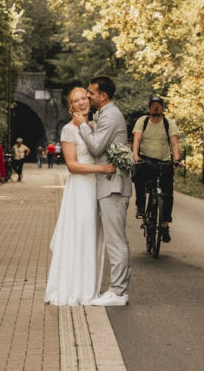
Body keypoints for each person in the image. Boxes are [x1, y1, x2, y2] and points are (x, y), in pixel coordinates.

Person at [45, 87, 116, 305]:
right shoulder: (69, 130)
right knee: (82, 234)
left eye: (84, 98)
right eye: (76, 101)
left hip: (97, 188)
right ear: (71, 106)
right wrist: (102, 170)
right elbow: (72, 165)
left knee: (94, 235)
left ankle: (89, 288)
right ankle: (76, 290)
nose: (81, 103)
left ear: (89, 100)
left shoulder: (93, 127)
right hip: (81, 189)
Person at [75, 75, 133, 307]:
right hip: (107, 185)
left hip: (113, 185)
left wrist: (82, 127)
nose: (88, 96)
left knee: (115, 240)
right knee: (114, 239)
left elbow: (97, 146)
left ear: (103, 96)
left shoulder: (110, 115)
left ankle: (118, 292)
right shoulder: (105, 115)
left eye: (91, 93)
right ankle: (118, 289)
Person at [131, 96, 182, 243]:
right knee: (140, 180)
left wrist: (177, 159)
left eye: (158, 105)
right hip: (146, 159)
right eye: (153, 105)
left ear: (162, 108)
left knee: (168, 194)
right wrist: (135, 155)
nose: (156, 108)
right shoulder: (143, 121)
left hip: (164, 161)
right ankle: (141, 207)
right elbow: (137, 139)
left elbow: (174, 144)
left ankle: (165, 225)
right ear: (149, 108)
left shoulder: (168, 123)